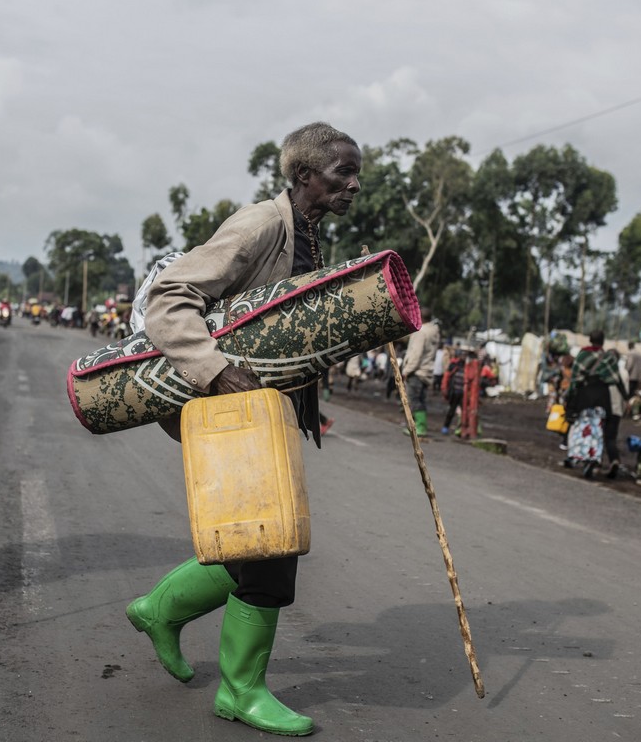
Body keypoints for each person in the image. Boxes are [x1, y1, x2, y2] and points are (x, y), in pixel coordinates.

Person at [128, 121, 360, 736]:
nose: (354, 184)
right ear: (304, 174)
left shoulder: (308, 234)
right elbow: (168, 297)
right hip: (223, 406)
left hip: (261, 413)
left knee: (258, 537)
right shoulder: (263, 224)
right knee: (270, 548)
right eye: (344, 172)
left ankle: (159, 610)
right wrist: (214, 369)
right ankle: (240, 690)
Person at [564, 329, 626, 479]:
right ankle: (594, 458)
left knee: (582, 427)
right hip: (602, 399)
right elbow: (616, 380)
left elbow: (575, 380)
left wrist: (569, 397)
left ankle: (579, 455)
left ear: (590, 340)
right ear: (603, 341)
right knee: (597, 430)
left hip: (584, 398)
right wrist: (626, 397)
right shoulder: (608, 358)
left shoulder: (582, 355)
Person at [400, 307, 440, 436]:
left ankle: (419, 427)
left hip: (417, 372)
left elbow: (416, 354)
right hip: (427, 371)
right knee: (421, 399)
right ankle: (419, 426)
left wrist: (406, 370)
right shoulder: (434, 331)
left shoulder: (421, 332)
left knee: (415, 400)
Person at [440, 347, 467, 436]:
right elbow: (447, 377)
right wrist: (444, 389)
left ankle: (460, 429)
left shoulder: (466, 366)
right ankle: (446, 426)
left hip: (463, 393)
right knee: (451, 411)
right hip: (455, 392)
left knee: (463, 412)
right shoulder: (453, 365)